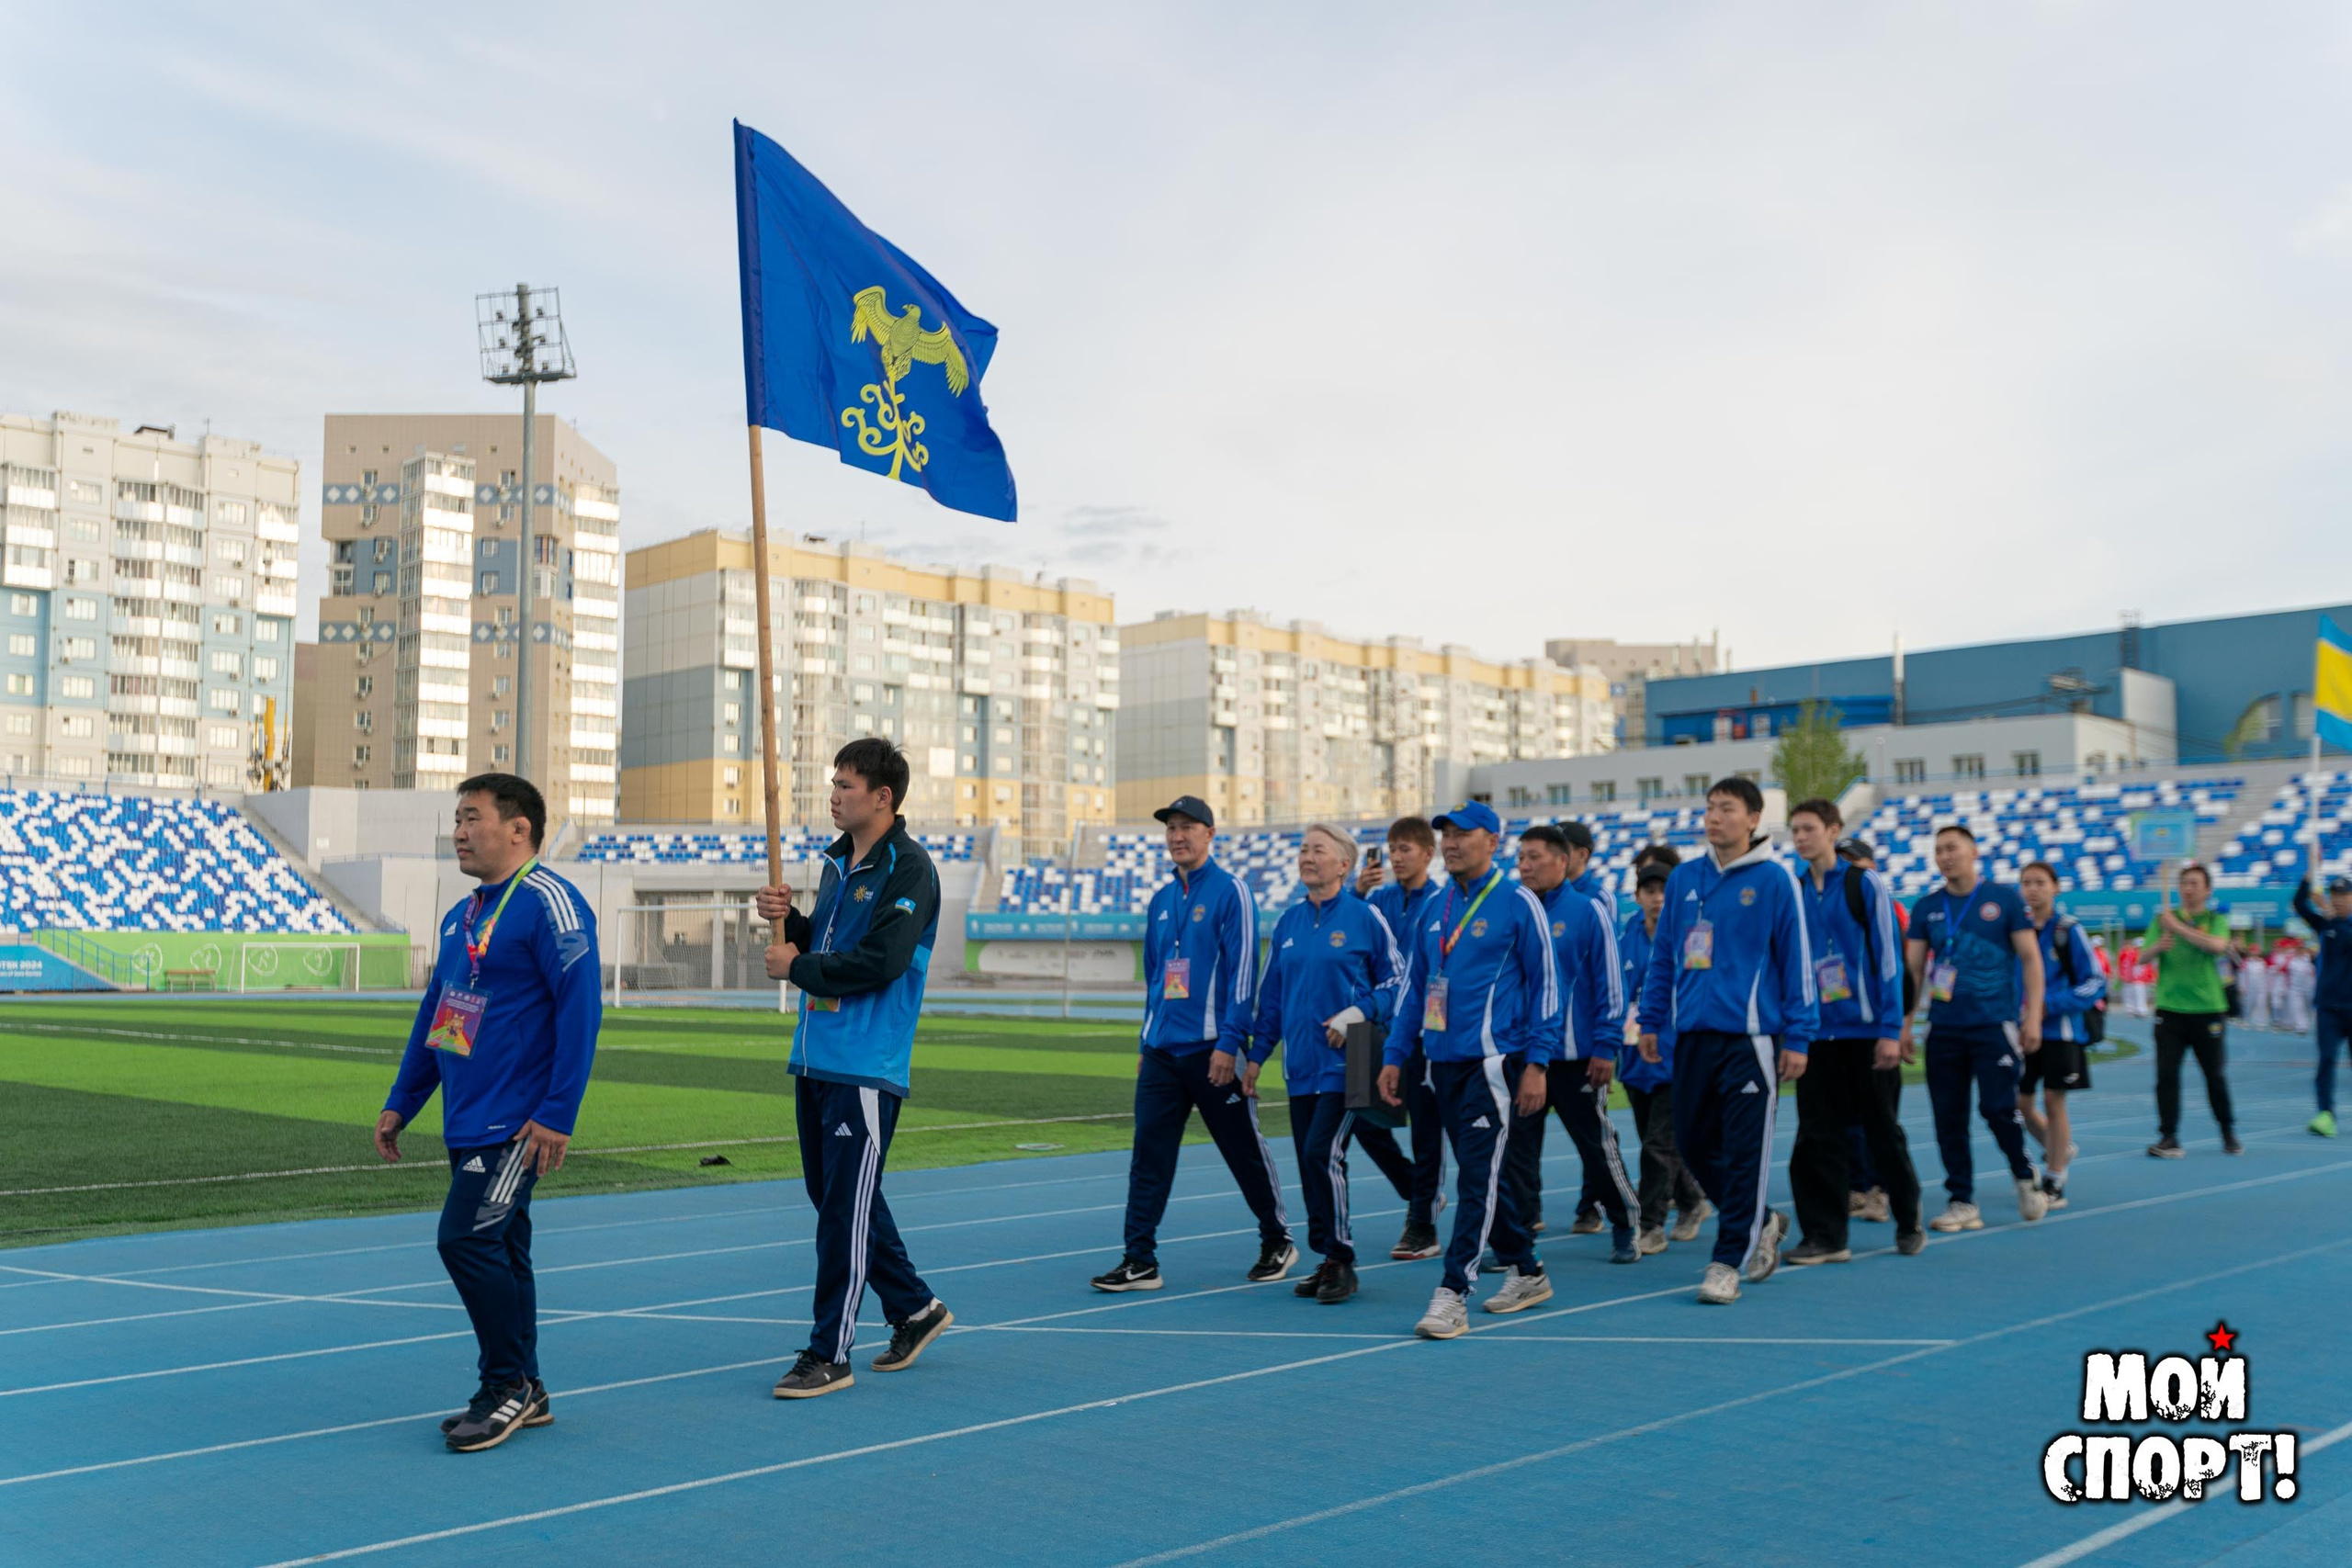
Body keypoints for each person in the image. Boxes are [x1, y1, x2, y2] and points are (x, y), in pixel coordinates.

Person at [375, 773, 600, 1451]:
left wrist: (557, 1112)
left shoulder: (551, 904)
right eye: (457, 817)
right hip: (467, 1115)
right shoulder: (465, 914)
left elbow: (581, 1011)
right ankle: (525, 1383)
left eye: (472, 817)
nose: (459, 830)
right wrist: (402, 1101)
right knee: (504, 1247)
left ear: (518, 828)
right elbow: (438, 1015)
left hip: (515, 1124)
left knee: (465, 1239)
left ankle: (506, 1386)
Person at [759, 739, 956, 1398]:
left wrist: (798, 966)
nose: (835, 792)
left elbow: (882, 961)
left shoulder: (909, 868)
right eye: (833, 781)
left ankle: (829, 1351)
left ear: (883, 797)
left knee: (844, 1210)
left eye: (846, 783)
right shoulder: (839, 864)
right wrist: (795, 923)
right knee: (840, 1199)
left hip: (866, 1064)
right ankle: (917, 1308)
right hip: (817, 1055)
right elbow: (833, 945)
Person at [1092, 795, 1293, 1292]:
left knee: (1242, 1149)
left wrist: (1231, 1043)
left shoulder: (1232, 892)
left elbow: (1244, 973)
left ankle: (1277, 1239)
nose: (1178, 836)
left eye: (1188, 827)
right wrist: (1145, 1042)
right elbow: (1156, 976)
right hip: (1162, 1052)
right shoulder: (1162, 900)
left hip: (1212, 1051)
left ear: (1210, 834)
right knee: (1149, 1157)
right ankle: (1140, 1259)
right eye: (1171, 828)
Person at [1379, 800, 1561, 1338]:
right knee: (1488, 1177)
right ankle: (1527, 1271)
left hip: (1494, 1066)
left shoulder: (1519, 903)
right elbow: (1414, 991)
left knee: (1476, 1179)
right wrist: (1394, 1056)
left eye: (1464, 833)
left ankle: (1453, 1290)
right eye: (1447, 835)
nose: (1453, 843)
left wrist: (1538, 1064)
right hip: (1439, 1065)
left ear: (1493, 842)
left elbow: (1547, 988)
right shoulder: (1435, 908)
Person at [1636, 777, 1815, 1306]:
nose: (1714, 817)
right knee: (1690, 1144)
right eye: (1710, 807)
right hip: (1691, 1035)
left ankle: (1727, 1260)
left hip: (1751, 1039)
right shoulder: (1686, 878)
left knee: (1744, 1153)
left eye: (1727, 808)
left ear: (1754, 819)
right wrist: (1651, 1021)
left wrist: (1798, 1037)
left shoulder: (1775, 882)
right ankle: (1760, 1219)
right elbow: (1665, 956)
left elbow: (1797, 963)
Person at [1249, 824, 1406, 1303]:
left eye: (1318, 850)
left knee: (1323, 1153)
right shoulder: (1289, 924)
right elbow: (1271, 997)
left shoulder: (1365, 918)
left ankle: (1341, 1258)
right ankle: (1327, 1257)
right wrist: (1256, 1057)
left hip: (1351, 1062)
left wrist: (1358, 1013)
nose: (1306, 857)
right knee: (1310, 1162)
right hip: (1301, 1067)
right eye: (1302, 849)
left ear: (1344, 865)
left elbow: (1398, 982)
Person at [1782, 798, 1923, 1265]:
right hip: (1817, 1035)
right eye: (1795, 830)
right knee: (1815, 1138)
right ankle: (1825, 1235)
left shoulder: (1865, 885)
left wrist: (1890, 1028)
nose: (1801, 837)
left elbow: (1889, 959)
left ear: (1833, 830)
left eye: (1809, 829)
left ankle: (1908, 1215)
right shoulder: (1793, 889)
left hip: (1866, 1034)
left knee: (1882, 1132)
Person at [1900, 824, 2048, 1232]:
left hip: (1992, 1025)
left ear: (1973, 852)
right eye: (1938, 850)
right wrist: (1906, 1024)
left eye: (1952, 848)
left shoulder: (2003, 900)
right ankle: (1962, 1200)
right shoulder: (1927, 906)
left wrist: (2031, 1015)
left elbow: (2031, 960)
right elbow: (1913, 970)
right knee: (1948, 1118)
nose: (1944, 856)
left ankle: (2024, 1174)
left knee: (1998, 1108)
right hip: (1944, 1028)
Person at [1505, 823, 1641, 1265]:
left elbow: (1612, 986)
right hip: (1525, 1057)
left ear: (1562, 862)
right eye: (1520, 857)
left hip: (1579, 1057)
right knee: (1517, 1151)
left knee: (1595, 1147)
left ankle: (1625, 1221)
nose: (1524, 866)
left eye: (1534, 857)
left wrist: (1606, 1046)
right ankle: (1518, 1238)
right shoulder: (1515, 910)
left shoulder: (1588, 912)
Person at [1357, 816, 1450, 1258]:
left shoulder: (1443, 901)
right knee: (1361, 1119)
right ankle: (1419, 1192)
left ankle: (1422, 1225)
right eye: (1392, 849)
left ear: (1428, 854)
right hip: (1371, 1028)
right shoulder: (1376, 900)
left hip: (1421, 1031)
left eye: (1405, 849)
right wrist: (1357, 891)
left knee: (1426, 1132)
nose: (1395, 857)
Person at [1618, 861, 1709, 1253]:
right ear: (1637, 897)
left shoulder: (1692, 935)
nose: (1656, 899)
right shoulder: (1626, 939)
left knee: (1657, 1145)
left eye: (1663, 891)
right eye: (1649, 891)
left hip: (1676, 1055)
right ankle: (1691, 1201)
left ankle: (1651, 1224)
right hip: (1634, 1057)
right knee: (1658, 1143)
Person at [2016, 861, 2106, 1210]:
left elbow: (2095, 982)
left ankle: (2054, 1179)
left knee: (2054, 1100)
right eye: (2026, 883)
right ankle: (2059, 1148)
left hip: (2061, 1030)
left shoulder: (2067, 930)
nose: (2033, 889)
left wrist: (2047, 1005)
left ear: (2055, 888)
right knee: (2019, 1103)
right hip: (2024, 1029)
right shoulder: (2018, 930)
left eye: (2040, 882)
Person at [2140, 863, 2241, 1158]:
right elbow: (2142, 958)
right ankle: (2168, 1136)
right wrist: (2159, 944)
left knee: (2215, 1076)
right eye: (2184, 883)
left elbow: (2218, 946)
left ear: (2207, 890)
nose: (2188, 888)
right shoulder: (2162, 920)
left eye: (2195, 883)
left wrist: (2179, 929)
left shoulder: (2214, 918)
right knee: (2166, 1075)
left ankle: (2227, 1130)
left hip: (2208, 1009)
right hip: (2170, 1009)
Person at [2293, 875, 2352, 1136]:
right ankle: (2325, 1113)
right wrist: (2306, 881)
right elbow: (2299, 906)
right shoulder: (2325, 924)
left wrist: (2334, 920)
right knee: (2326, 1060)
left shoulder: (2340, 925)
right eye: (2334, 894)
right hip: (2328, 1007)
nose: (2338, 899)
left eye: (2344, 894)